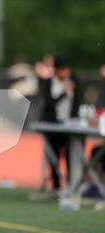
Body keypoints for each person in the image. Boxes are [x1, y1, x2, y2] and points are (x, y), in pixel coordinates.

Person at [40, 56, 82, 193]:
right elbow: (49, 104)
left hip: (70, 125)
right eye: (62, 70)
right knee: (53, 153)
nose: (65, 73)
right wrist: (64, 92)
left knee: (72, 151)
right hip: (53, 125)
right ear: (56, 70)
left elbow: (77, 104)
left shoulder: (75, 81)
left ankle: (72, 184)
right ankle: (56, 186)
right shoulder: (47, 83)